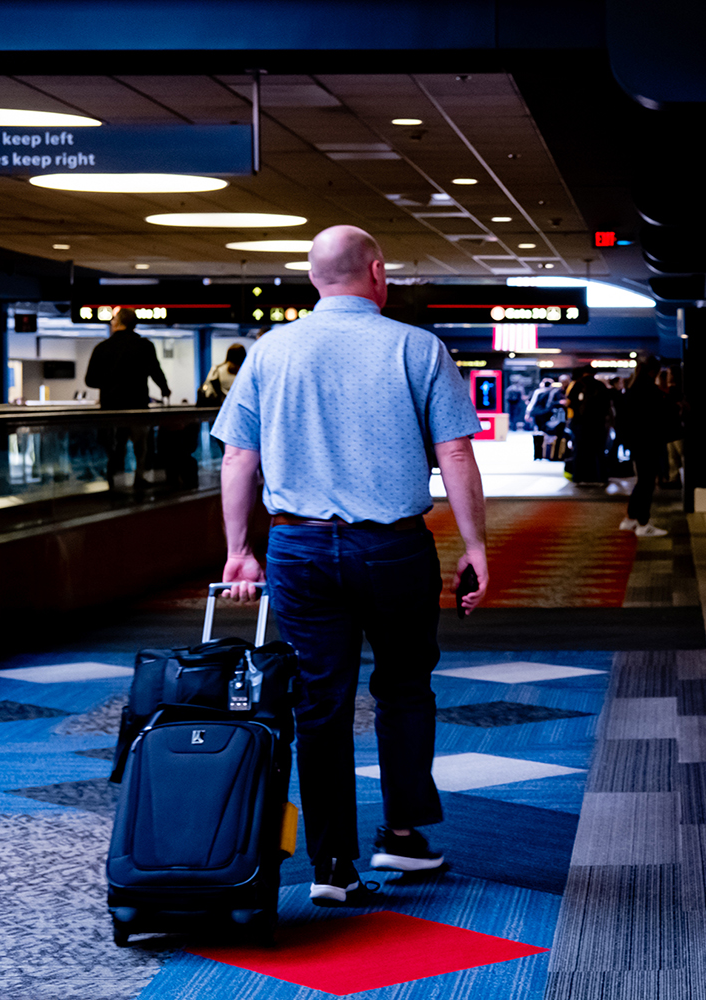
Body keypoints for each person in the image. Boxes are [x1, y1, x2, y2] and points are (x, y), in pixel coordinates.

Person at [213, 224, 489, 907]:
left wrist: (237, 550)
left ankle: (331, 864)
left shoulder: (271, 352)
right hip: (394, 547)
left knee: (319, 701)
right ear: (378, 273)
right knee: (403, 686)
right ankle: (400, 832)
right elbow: (455, 454)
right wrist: (475, 545)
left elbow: (237, 458)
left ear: (314, 278)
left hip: (299, 548)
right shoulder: (418, 348)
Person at [84, 308, 170, 492]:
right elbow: (155, 371)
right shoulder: (145, 346)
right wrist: (164, 389)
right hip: (138, 407)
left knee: (115, 449)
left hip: (111, 409)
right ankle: (140, 478)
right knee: (142, 447)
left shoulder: (102, 348)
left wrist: (109, 381)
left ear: (116, 323)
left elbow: (90, 380)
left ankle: (116, 483)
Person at [615, 357, 678, 537]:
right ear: (654, 371)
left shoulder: (632, 389)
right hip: (649, 442)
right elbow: (660, 417)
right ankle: (643, 523)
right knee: (647, 483)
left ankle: (631, 519)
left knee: (642, 481)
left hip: (636, 442)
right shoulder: (650, 391)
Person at [565, 366, 612, 485]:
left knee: (579, 451)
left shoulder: (578, 385)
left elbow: (569, 403)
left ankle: (579, 477)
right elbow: (607, 405)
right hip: (598, 423)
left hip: (580, 423)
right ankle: (602, 478)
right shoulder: (600, 386)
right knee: (599, 451)